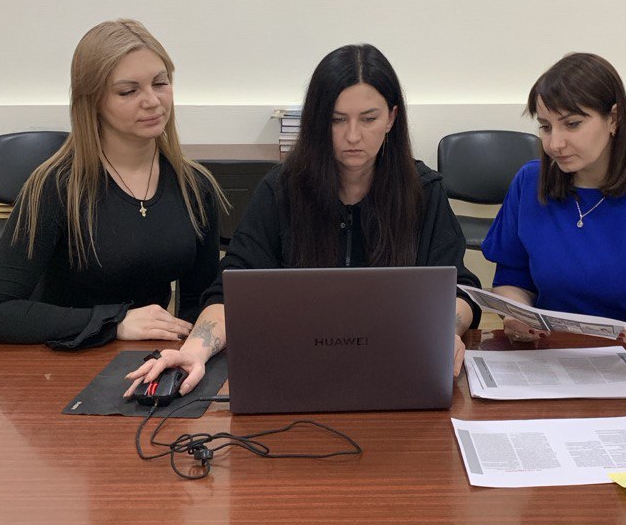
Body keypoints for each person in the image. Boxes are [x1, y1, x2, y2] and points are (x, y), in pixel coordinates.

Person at [126, 44, 480, 397]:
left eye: (369, 119)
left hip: (398, 371)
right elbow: (231, 291)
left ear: (391, 118)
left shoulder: (423, 191)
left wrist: (445, 333)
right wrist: (194, 351)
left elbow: (460, 289)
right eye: (336, 120)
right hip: (297, 373)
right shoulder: (282, 190)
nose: (353, 136)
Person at [0, 19, 221, 348]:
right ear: (92, 100)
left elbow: (198, 304)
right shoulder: (55, 188)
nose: (152, 101)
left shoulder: (195, 187)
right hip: (69, 358)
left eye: (160, 83)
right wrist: (115, 322)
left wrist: (188, 354)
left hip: (150, 361)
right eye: (128, 91)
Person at [482, 53, 626, 356]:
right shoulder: (529, 182)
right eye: (545, 127)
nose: (555, 144)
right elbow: (512, 279)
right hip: (549, 356)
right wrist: (515, 313)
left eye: (572, 124)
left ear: (614, 119)